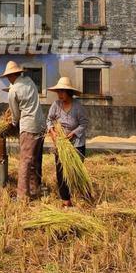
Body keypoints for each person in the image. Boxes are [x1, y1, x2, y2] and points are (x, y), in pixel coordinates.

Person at [2, 61, 45, 200]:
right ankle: (34, 189)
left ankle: (21, 196)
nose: (8, 78)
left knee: (25, 162)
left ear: (11, 75)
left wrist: (12, 123)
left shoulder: (13, 91)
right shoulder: (30, 81)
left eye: (8, 76)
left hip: (29, 127)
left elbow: (15, 115)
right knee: (35, 160)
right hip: (40, 125)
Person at [46, 76, 88, 207]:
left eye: (62, 91)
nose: (59, 94)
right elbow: (49, 120)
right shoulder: (56, 105)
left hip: (76, 145)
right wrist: (52, 132)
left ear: (69, 92)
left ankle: (80, 196)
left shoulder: (78, 107)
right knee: (61, 172)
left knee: (74, 172)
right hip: (61, 144)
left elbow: (84, 123)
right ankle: (66, 200)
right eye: (58, 91)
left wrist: (73, 133)